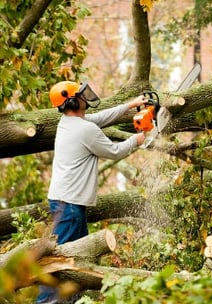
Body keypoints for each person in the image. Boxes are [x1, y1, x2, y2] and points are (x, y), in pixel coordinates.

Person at [37, 81, 147, 304]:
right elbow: (115, 151)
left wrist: (130, 105)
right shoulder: (84, 129)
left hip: (67, 201)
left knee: (77, 260)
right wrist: (137, 139)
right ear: (72, 100)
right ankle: (45, 302)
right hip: (69, 204)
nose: (86, 97)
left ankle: (73, 300)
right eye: (81, 95)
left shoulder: (69, 123)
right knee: (60, 261)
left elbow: (103, 117)